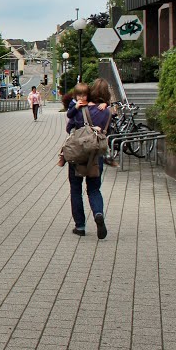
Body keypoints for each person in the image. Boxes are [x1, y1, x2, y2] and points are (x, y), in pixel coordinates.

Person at [64, 82, 111, 239]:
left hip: (78, 154)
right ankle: (98, 213)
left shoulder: (80, 108)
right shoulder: (106, 111)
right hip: (96, 156)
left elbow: (69, 127)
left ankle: (80, 226)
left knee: (76, 190)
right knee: (94, 189)